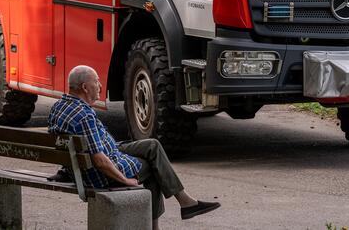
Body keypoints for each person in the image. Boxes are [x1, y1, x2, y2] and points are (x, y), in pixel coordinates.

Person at [48, 65, 220, 229]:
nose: (100, 85)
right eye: (97, 81)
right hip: (102, 171)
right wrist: (125, 180)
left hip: (102, 155)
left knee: (152, 145)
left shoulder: (58, 107)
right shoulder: (84, 115)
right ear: (85, 87)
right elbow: (100, 161)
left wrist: (67, 168)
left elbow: (67, 144)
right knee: (154, 168)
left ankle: (185, 201)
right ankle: (170, 215)